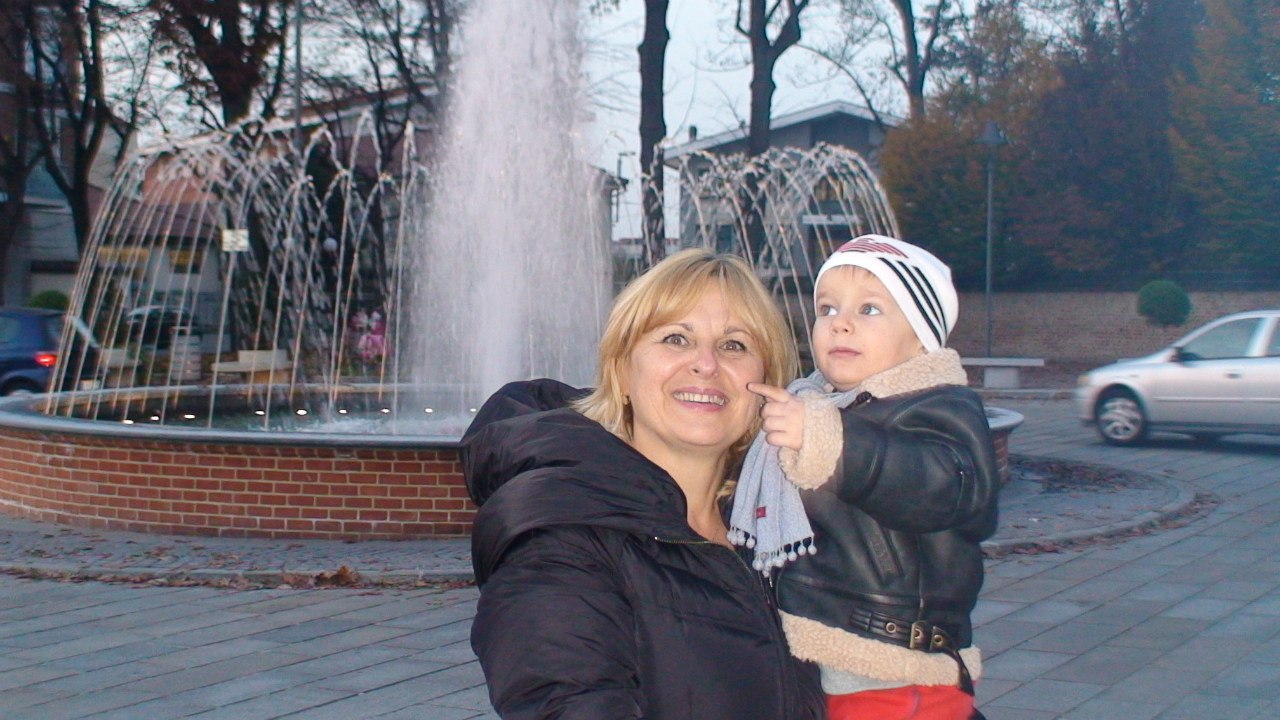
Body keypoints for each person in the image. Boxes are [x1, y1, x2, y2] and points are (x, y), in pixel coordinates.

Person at [462, 249, 826, 720]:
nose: (706, 364)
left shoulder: (785, 529)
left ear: (768, 384)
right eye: (676, 338)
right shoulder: (563, 539)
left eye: (734, 345)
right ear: (621, 373)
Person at [729, 234, 1000, 720]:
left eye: (870, 309)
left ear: (921, 338)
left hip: (894, 665)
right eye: (827, 309)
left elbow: (951, 489)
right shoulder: (815, 404)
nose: (841, 323)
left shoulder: (940, 407)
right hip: (820, 649)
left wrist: (833, 442)